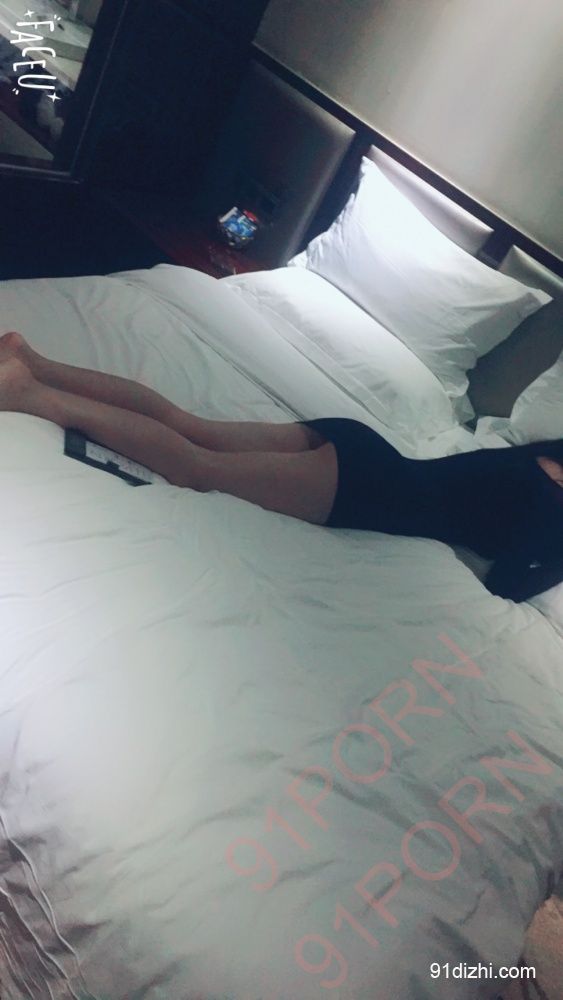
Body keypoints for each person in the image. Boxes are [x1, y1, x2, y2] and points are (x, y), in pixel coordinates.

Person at [1, 331, 562, 604]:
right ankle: (32, 395)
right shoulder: (555, 510)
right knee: (196, 469)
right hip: (365, 490)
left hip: (364, 447)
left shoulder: (539, 457)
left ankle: (33, 361)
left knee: (188, 424)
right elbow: (508, 583)